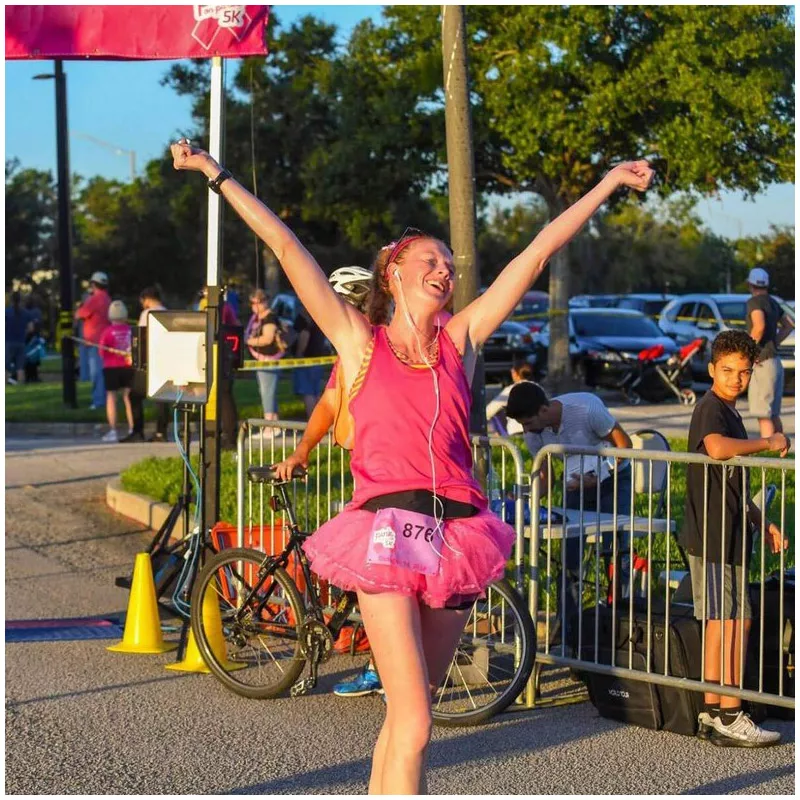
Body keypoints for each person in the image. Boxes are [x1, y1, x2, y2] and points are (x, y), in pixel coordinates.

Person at [171, 136, 653, 794]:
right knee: (420, 721)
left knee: (408, 717)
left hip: (459, 535)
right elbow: (288, 247)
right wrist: (214, 174)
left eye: (451, 264)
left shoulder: (461, 339)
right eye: (430, 259)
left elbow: (536, 252)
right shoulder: (357, 341)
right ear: (394, 272)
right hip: (385, 535)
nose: (446, 270)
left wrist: (606, 184)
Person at [678, 329, 788, 747]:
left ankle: (714, 710)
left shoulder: (730, 410)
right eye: (727, 370)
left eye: (743, 372)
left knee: (725, 621)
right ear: (712, 369)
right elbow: (718, 449)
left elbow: (734, 483)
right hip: (712, 532)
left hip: (729, 527)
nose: (735, 379)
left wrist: (762, 521)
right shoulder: (711, 409)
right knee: (731, 621)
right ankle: (729, 711)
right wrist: (769, 440)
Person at [505, 381, 634, 648]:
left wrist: (599, 475)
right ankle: (568, 631)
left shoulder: (586, 408)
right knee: (570, 557)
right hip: (575, 481)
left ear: (544, 409)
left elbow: (625, 445)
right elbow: (546, 472)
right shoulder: (533, 431)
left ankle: (620, 621)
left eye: (529, 423)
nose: (527, 431)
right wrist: (526, 501)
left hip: (613, 479)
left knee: (616, 549)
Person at [745, 267, 794, 439]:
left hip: (762, 362)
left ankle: (769, 452)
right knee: (773, 413)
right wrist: (774, 342)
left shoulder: (755, 302)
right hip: (775, 361)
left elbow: (759, 326)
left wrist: (747, 350)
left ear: (750, 284)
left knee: (764, 414)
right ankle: (781, 450)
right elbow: (789, 325)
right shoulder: (773, 302)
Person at [121, 286, 169, 443]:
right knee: (162, 397)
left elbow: (140, 337)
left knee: (134, 395)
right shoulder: (167, 312)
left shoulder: (147, 314)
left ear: (147, 299)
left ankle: (137, 431)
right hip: (164, 360)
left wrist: (132, 354)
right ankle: (161, 432)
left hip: (148, 361)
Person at [245, 289, 284, 437]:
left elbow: (267, 338)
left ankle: (270, 427)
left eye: (258, 302)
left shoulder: (269, 318)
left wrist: (248, 341)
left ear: (265, 302)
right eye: (252, 303)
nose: (255, 306)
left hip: (269, 360)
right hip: (261, 360)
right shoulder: (256, 319)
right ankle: (274, 425)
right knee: (266, 392)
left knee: (268, 393)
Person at [97, 300, 134, 443]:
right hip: (128, 368)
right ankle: (132, 428)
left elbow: (101, 352)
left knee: (111, 398)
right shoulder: (131, 330)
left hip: (111, 368)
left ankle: (113, 430)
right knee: (128, 398)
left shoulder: (107, 332)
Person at [74, 271, 111, 410]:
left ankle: (98, 401)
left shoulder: (95, 299)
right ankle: (103, 399)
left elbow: (80, 314)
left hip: (94, 342)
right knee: (102, 372)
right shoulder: (107, 298)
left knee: (96, 373)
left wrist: (80, 307)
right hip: (104, 341)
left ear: (94, 284)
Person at [292, 304, 328, 418]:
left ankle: (312, 420)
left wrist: (299, 353)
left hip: (306, 360)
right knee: (316, 392)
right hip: (318, 359)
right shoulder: (318, 318)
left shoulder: (303, 320)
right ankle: (320, 422)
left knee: (308, 393)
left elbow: (304, 336)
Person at [485, 359, 535, 436]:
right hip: (537, 430)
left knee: (496, 413)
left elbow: (489, 411)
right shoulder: (539, 388)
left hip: (517, 431)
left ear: (515, 373)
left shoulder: (511, 390)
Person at [5, 291, 33, 385]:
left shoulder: (6, 312)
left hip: (8, 341)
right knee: (20, 367)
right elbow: (31, 328)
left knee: (5, 366)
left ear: (11, 300)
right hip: (21, 342)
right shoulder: (26, 313)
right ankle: (20, 385)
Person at [24, 319, 47, 383]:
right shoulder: (28, 335)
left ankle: (33, 377)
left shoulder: (35, 335)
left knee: (34, 365)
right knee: (29, 365)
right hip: (29, 353)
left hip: (33, 353)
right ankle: (30, 378)